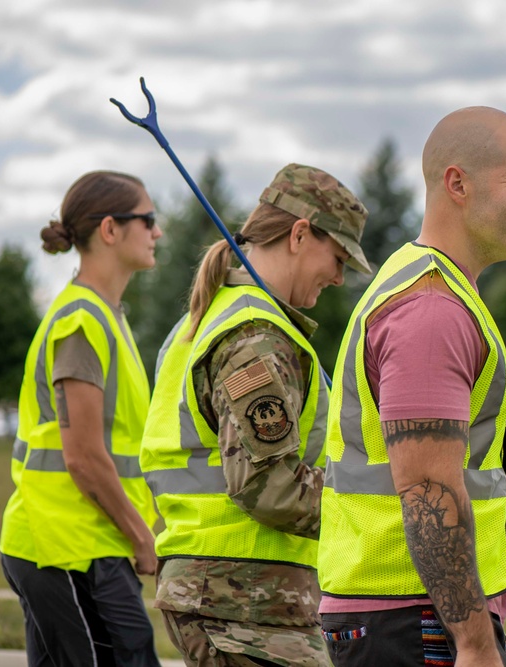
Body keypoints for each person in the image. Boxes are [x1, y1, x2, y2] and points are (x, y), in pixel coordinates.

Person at [317, 107, 506, 667]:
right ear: (458, 184)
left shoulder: (433, 289)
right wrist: (473, 645)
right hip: (414, 621)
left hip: (407, 614)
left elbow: (453, 475)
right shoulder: (431, 311)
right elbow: (425, 490)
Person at [139, 164, 371, 667]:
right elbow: (270, 488)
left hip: (235, 594)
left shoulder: (214, 315)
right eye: (337, 258)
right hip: (241, 597)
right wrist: (372, 510)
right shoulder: (255, 336)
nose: (337, 276)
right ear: (299, 234)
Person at [0, 170, 164, 666]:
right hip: (67, 548)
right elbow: (84, 458)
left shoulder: (105, 316)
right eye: (149, 219)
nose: (158, 232)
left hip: (82, 544)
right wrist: (142, 537)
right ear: (110, 230)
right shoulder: (82, 323)